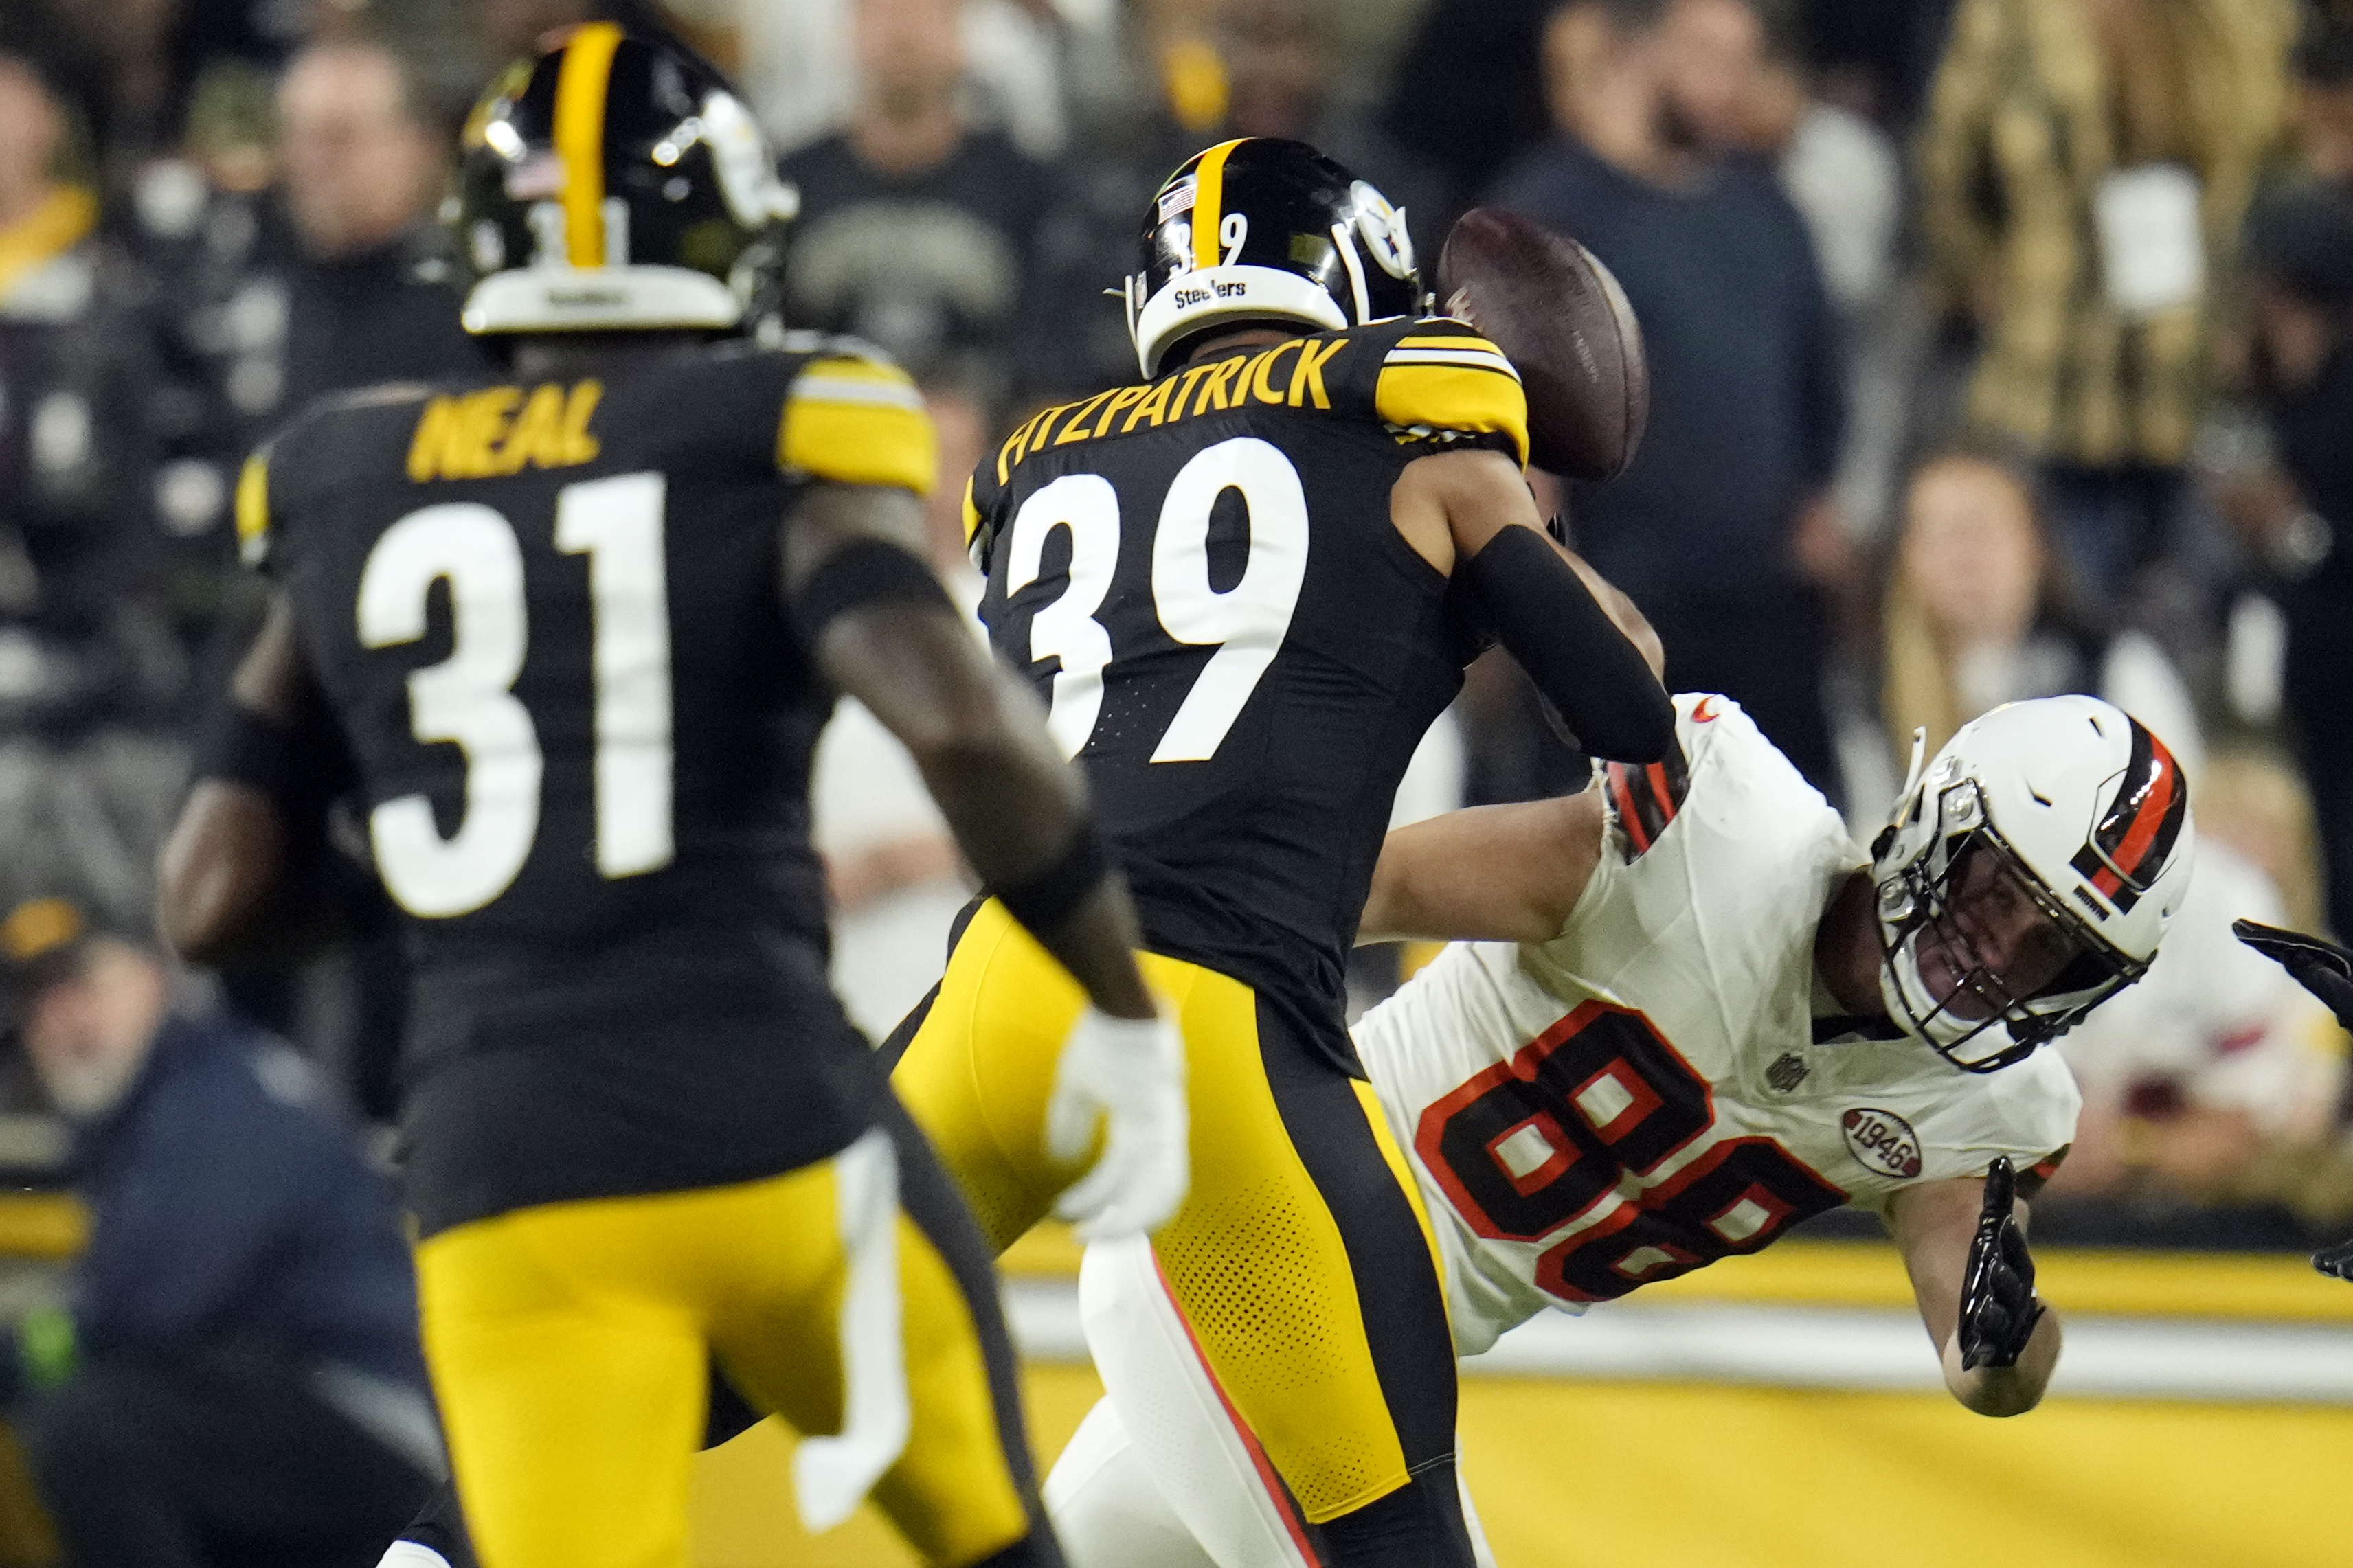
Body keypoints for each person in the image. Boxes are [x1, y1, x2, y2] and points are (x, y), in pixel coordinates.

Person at [153, 27, 1187, 1568]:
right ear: (731, 234)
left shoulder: (347, 475)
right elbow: (959, 726)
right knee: (994, 1544)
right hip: (769, 1115)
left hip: (504, 1160)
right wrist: (1115, 998)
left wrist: (454, 877)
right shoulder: (774, 428)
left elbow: (211, 896)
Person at [890, 135, 1674, 1568]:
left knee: (704, 1362)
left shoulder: (1031, 467)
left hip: (992, 994)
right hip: (1208, 1021)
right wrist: (1499, 473)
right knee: (1394, 1535)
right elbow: (1627, 708)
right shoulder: (1415, 437)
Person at [1042, 692, 2196, 1568]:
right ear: (1943, 816)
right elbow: (1350, 890)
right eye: (1999, 893)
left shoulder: (1990, 1108)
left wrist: (2013, 1344)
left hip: (1369, 1345)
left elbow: (1982, 1360)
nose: (1995, 951)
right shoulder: (1718, 833)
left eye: (2049, 949)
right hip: (1265, 1221)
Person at [0, 896, 438, 1568]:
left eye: (81, 985)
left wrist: (27, 1351)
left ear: (151, 976)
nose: (63, 1021)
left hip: (372, 1421)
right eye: (38, 1005)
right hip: (283, 1418)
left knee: (92, 1431)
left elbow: (151, 1305)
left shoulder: (218, 1099)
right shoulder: (153, 1105)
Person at [1487, 0, 1849, 796]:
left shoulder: (1768, 212)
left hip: (1763, 616)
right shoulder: (1543, 214)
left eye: (1743, 61)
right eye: (1705, 54)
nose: (1727, 83)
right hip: (1615, 617)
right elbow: (1504, 441)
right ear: (1636, 51)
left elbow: (1818, 392)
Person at [1917, 0, 2298, 601]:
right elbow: (1949, 174)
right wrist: (1992, 284)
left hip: (2206, 406)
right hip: (2049, 402)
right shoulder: (2008, 16)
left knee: (2214, 661)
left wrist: (2262, 320)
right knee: (2065, 666)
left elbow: (2285, 162)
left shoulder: (2244, 14)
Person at [777, 0, 1061, 400]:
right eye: (882, 11)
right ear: (849, 29)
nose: (904, 35)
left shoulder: (1029, 189)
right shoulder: (786, 185)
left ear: (962, 32)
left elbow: (1057, 364)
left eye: (927, 12)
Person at [1880, 447, 2203, 790]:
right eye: (1940, 533)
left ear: (2037, 543)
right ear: (1906, 555)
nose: (1964, 557)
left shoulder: (2112, 668)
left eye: (1982, 528)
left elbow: (2176, 814)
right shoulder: (1868, 693)